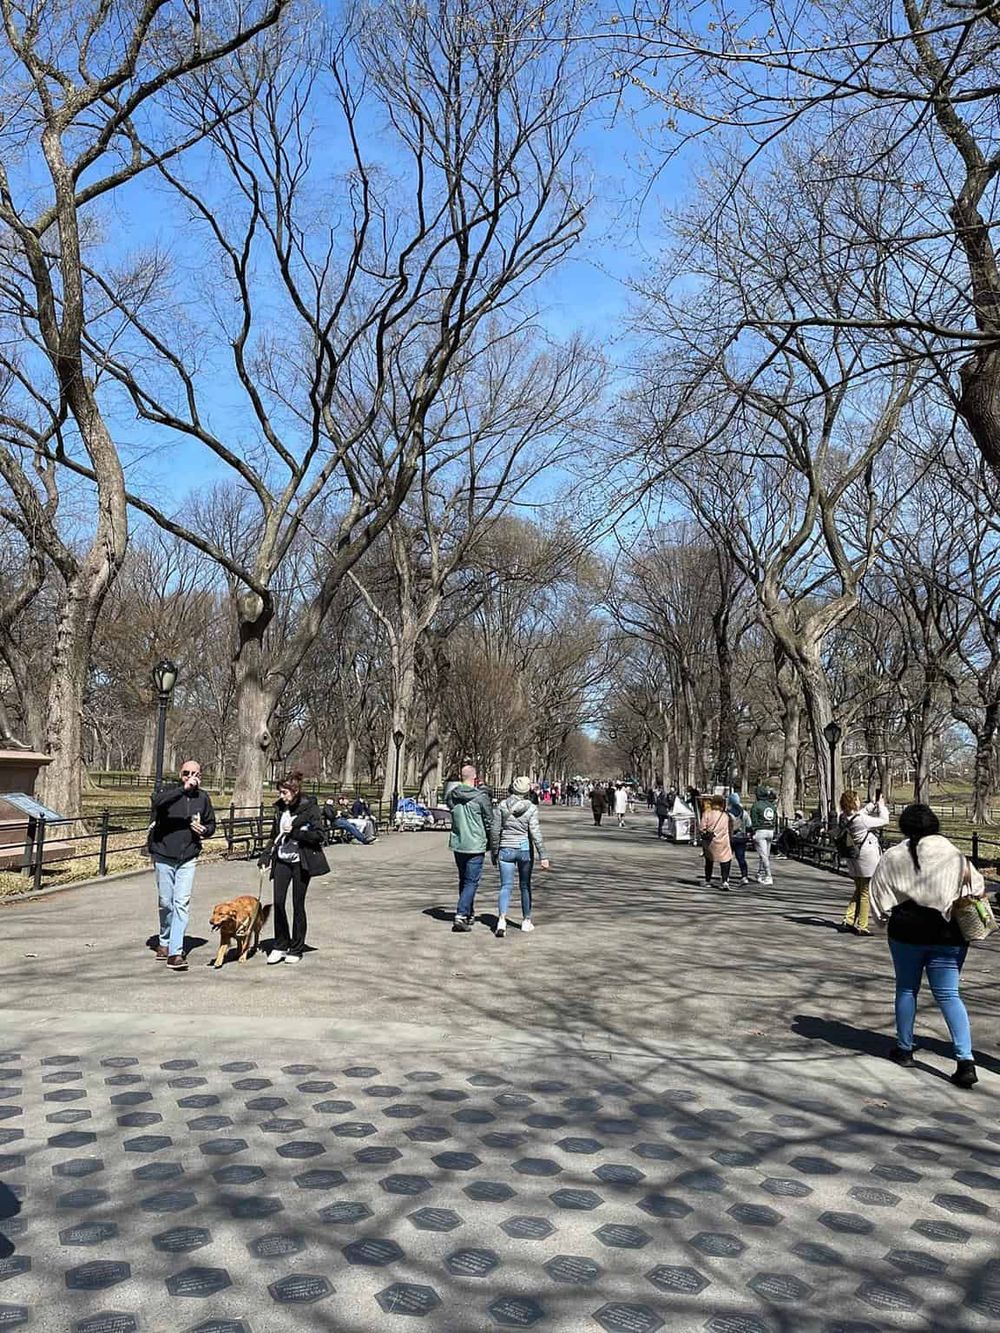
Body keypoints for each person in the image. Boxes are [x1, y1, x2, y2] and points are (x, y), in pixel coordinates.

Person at [870, 804, 985, 1089]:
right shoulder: (955, 856)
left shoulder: (893, 855)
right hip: (948, 933)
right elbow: (977, 887)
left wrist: (882, 918)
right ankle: (965, 1059)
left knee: (907, 989)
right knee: (948, 994)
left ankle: (905, 1048)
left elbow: (878, 894)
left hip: (906, 930)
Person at [148, 760, 216, 971]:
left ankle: (176, 952)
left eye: (195, 773)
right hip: (163, 853)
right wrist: (182, 790)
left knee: (181, 902)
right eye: (186, 773)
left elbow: (211, 824)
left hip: (188, 856)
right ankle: (165, 940)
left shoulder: (203, 798)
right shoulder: (168, 792)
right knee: (166, 902)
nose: (190, 776)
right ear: (181, 774)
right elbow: (156, 802)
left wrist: (204, 830)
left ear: (201, 776)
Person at [261, 770, 330, 965]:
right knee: (279, 902)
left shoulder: (310, 808)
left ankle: (297, 946)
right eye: (280, 792)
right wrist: (265, 857)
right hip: (282, 860)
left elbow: (319, 835)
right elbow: (274, 835)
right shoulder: (280, 808)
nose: (281, 796)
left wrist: (296, 833)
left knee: (297, 904)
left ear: (295, 791)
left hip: (301, 861)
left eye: (284, 792)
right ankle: (280, 944)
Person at [490, 776, 550, 937]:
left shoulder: (502, 806)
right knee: (525, 885)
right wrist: (543, 855)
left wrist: (494, 851)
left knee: (505, 886)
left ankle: (501, 919)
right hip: (524, 850)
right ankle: (526, 920)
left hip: (506, 848)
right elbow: (535, 833)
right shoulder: (531, 808)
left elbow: (495, 831)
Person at [446, 764, 494, 932]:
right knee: (472, 881)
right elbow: (490, 820)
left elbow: (450, 805)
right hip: (475, 843)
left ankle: (468, 913)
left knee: (464, 880)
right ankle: (460, 914)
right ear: (475, 778)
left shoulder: (453, 795)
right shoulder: (481, 797)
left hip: (459, 842)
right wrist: (493, 842)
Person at [838, 789, 890, 935]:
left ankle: (848, 919)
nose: (860, 801)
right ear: (853, 802)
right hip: (866, 860)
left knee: (859, 890)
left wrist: (873, 803)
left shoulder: (843, 817)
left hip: (853, 859)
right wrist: (881, 806)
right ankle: (862, 925)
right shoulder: (861, 820)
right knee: (866, 893)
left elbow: (860, 813)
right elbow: (884, 821)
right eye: (857, 799)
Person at [700, 794, 733, 890]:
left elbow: (702, 827)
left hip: (711, 842)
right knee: (726, 860)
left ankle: (708, 880)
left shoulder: (707, 813)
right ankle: (725, 881)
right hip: (723, 842)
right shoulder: (725, 816)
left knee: (709, 860)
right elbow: (730, 828)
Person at [750, 785, 777, 885]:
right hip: (770, 831)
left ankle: (768, 875)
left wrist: (753, 831)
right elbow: (775, 818)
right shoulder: (771, 805)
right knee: (766, 854)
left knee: (763, 854)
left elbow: (753, 820)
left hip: (760, 831)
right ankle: (760, 873)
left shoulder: (756, 805)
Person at [726, 792, 751, 886]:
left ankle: (726, 876)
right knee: (741, 858)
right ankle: (744, 876)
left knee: (727, 857)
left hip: (730, 837)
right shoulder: (744, 813)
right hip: (741, 838)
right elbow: (749, 825)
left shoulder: (728, 812)